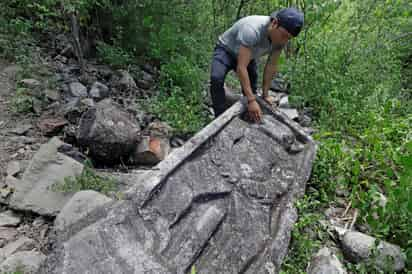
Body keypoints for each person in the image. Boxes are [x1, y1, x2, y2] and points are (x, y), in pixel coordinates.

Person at [209, 7, 304, 122]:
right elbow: (241, 67)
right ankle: (220, 117)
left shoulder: (280, 40)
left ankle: (248, 116)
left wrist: (265, 94)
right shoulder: (252, 29)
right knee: (216, 79)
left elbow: (271, 66)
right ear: (274, 23)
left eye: (288, 38)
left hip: (249, 55)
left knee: (252, 87)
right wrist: (251, 100)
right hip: (226, 50)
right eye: (284, 35)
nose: (284, 41)